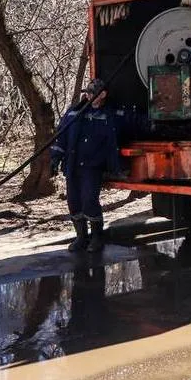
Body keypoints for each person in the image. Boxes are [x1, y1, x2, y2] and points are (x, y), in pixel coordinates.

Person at [50, 78, 124, 253]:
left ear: (102, 94)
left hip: (93, 166)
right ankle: (81, 237)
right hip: (73, 164)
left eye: (91, 93)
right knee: (74, 202)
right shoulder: (74, 113)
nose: (88, 95)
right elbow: (61, 136)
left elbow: (132, 121)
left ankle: (97, 237)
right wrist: (55, 158)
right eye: (87, 92)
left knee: (89, 200)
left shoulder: (110, 115)